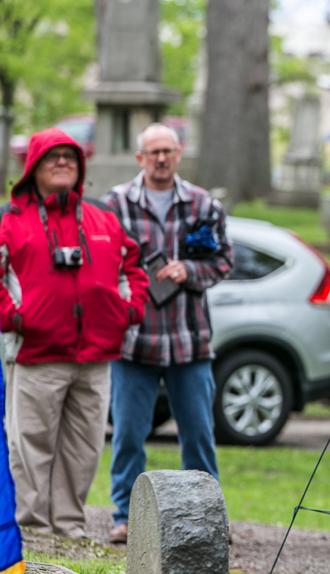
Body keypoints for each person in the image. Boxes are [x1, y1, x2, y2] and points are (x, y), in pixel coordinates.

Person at [0, 128, 149, 538]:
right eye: (52, 157)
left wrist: (128, 312)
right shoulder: (9, 219)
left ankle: (69, 527)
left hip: (96, 356)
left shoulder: (103, 218)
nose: (63, 163)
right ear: (33, 168)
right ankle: (33, 528)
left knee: (83, 448)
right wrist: (15, 317)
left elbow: (133, 266)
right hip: (37, 353)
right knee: (30, 447)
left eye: (70, 158)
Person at [102, 122, 233, 544]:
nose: (161, 158)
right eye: (153, 152)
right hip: (134, 340)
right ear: (140, 158)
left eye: (168, 151)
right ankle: (124, 516)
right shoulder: (116, 204)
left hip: (188, 339)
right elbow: (102, 263)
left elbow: (223, 261)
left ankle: (207, 518)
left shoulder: (203, 204)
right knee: (127, 433)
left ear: (179, 154)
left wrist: (189, 269)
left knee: (198, 433)